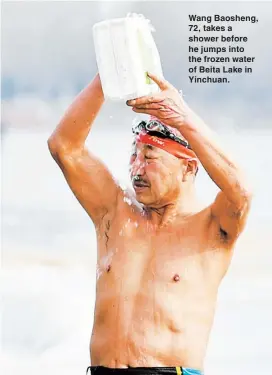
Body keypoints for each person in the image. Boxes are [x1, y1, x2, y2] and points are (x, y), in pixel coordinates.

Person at [47, 72, 252, 375]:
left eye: (150, 157)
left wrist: (182, 118)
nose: (136, 169)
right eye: (134, 154)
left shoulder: (212, 228)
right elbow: (63, 146)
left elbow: (241, 191)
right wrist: (108, 75)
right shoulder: (114, 213)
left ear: (187, 167)